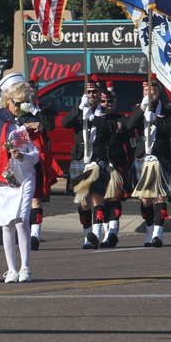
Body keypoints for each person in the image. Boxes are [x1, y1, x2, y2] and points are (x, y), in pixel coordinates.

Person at [0, 72, 40, 283]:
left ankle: (26, 267)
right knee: (6, 224)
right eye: (16, 103)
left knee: (22, 221)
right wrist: (22, 127)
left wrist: (31, 122)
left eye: (23, 103)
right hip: (3, 176)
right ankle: (11, 269)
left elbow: (39, 144)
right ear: (7, 100)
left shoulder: (30, 116)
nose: (19, 107)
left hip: (25, 174)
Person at [61, 76, 114, 249]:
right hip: (80, 157)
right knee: (83, 202)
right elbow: (64, 123)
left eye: (94, 92)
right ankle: (87, 236)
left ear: (99, 94)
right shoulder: (79, 110)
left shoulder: (104, 112)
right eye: (88, 92)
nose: (91, 95)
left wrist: (93, 118)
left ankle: (96, 236)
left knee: (98, 197)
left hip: (98, 157)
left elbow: (110, 128)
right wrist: (80, 110)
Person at [125, 76, 171, 247]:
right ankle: (149, 229)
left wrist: (156, 119)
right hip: (143, 156)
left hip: (160, 156)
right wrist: (142, 109)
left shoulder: (168, 110)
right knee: (146, 199)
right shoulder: (137, 108)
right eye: (146, 90)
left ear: (159, 91)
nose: (149, 93)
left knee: (160, 195)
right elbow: (128, 126)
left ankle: (158, 233)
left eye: (153, 90)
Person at [24, 76, 55, 250]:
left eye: (33, 90)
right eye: (28, 90)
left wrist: (36, 113)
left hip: (39, 157)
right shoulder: (19, 111)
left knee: (36, 197)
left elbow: (49, 126)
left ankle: (35, 233)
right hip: (22, 157)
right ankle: (25, 232)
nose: (31, 93)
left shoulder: (43, 111)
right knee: (23, 199)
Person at [100, 84, 130, 247]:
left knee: (113, 198)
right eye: (104, 101)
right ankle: (106, 234)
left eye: (110, 101)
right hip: (99, 164)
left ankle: (112, 231)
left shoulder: (122, 120)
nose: (107, 104)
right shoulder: (95, 118)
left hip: (117, 164)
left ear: (116, 102)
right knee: (101, 200)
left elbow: (130, 144)